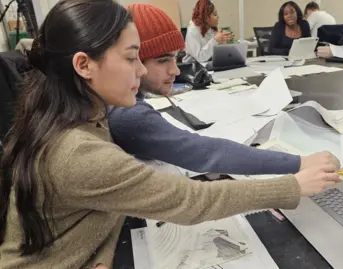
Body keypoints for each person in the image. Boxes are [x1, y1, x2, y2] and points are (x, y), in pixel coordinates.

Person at [0, 1, 341, 268]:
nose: (142, 70)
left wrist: (97, 254)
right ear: (83, 65)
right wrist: (292, 184)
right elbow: (190, 201)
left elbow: (89, 215)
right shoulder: (80, 149)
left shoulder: (73, 116)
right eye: (134, 58)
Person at [109, 3, 322, 178]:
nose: (175, 70)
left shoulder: (125, 102)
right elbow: (207, 154)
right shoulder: (128, 115)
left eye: (175, 58)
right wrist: (299, 163)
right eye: (163, 60)